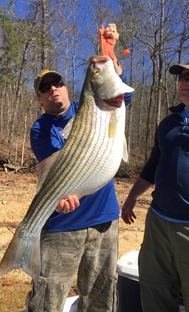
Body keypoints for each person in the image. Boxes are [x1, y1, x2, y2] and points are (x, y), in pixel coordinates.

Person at [26, 25, 133, 312]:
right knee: (47, 299)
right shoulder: (41, 129)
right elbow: (58, 174)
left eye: (57, 84)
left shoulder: (93, 104)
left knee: (101, 298)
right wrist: (60, 199)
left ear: (66, 87)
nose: (52, 90)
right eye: (44, 88)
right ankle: (24, 244)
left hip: (104, 221)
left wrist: (108, 50)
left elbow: (116, 88)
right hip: (62, 225)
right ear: (39, 98)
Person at [121, 62, 189, 312]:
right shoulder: (168, 124)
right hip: (158, 224)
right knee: (154, 294)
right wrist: (131, 198)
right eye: (182, 77)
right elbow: (153, 165)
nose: (184, 81)